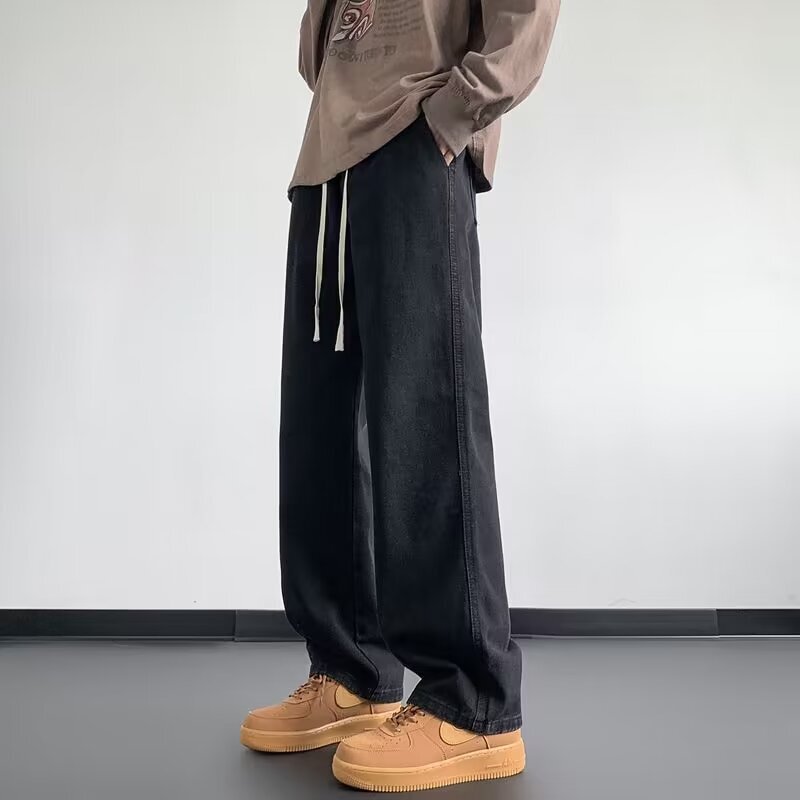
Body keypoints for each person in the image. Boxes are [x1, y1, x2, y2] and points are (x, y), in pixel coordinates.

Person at [240, 0, 560, 791]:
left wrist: (452, 114)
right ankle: (352, 669)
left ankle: (473, 701)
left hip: (417, 139)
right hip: (329, 157)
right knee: (319, 428)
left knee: (425, 416)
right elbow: (316, 49)